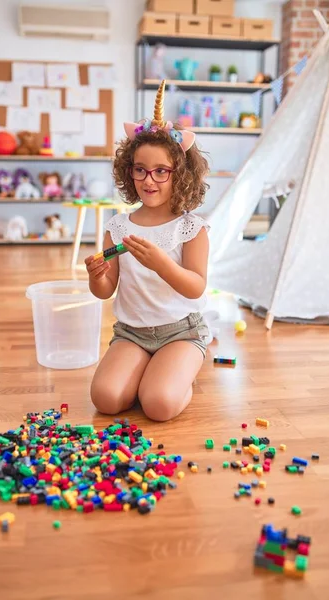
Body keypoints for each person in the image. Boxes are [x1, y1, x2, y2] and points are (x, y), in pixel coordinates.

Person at [85, 80, 210, 422]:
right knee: (105, 399)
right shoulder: (119, 227)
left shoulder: (191, 228)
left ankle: (181, 375)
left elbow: (196, 286)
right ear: (129, 172)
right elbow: (105, 290)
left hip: (180, 332)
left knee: (158, 405)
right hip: (132, 333)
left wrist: (161, 265)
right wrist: (96, 277)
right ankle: (152, 373)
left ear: (180, 175)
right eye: (140, 170)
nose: (149, 180)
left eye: (161, 171)